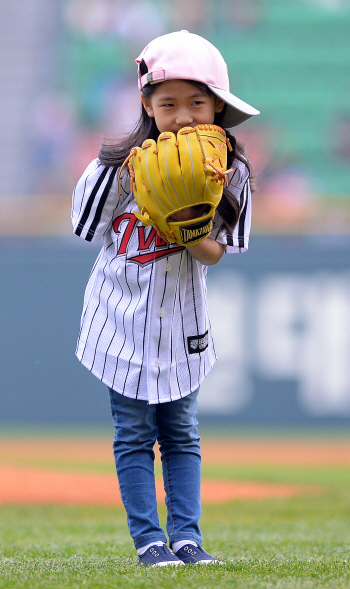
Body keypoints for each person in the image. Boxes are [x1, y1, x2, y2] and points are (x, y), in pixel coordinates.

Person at [71, 30, 259, 567]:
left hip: (182, 322)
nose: (181, 114)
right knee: (133, 433)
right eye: (167, 102)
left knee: (181, 432)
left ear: (218, 106)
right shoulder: (118, 165)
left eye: (196, 102)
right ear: (146, 105)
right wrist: (134, 184)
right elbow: (86, 229)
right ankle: (150, 542)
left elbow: (217, 254)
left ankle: (187, 539)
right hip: (120, 317)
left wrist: (186, 228)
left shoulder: (232, 170)